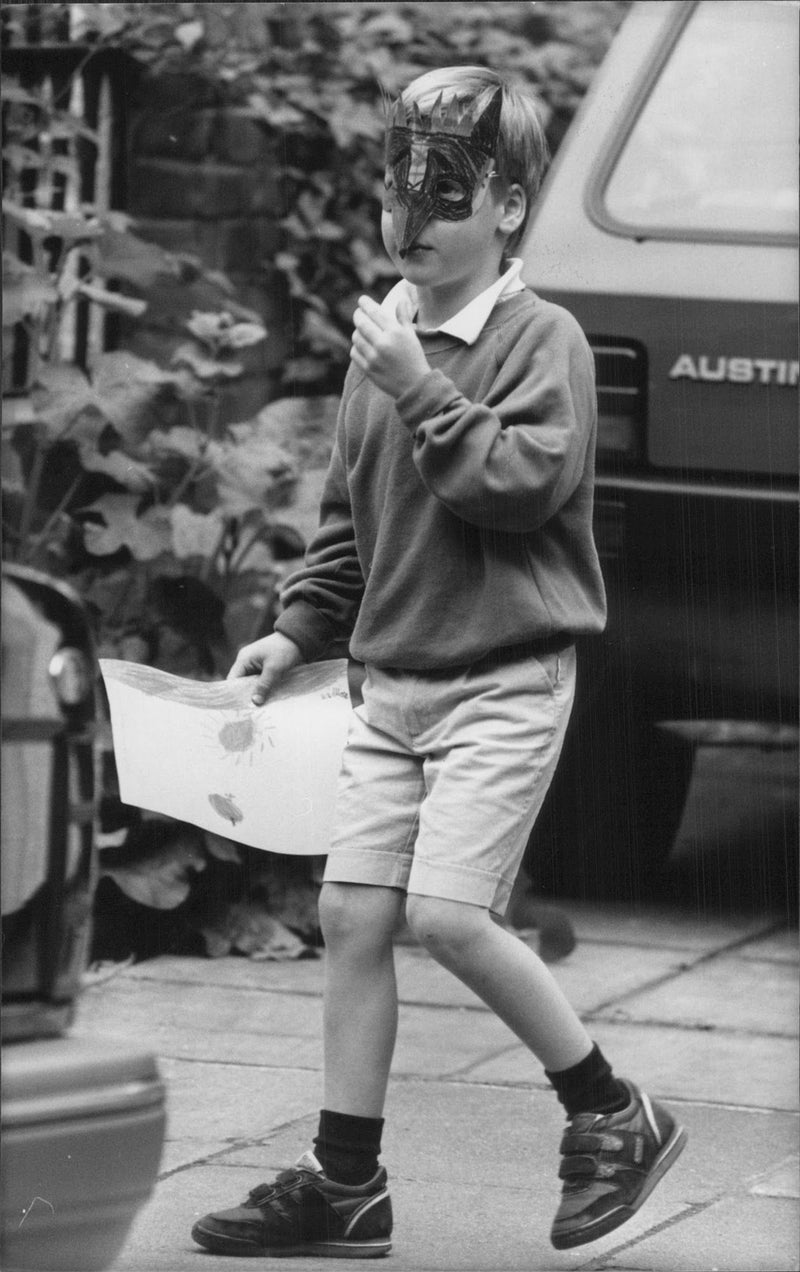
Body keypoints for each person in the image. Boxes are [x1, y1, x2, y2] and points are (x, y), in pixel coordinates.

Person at [191, 65, 687, 1259]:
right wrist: (296, 629)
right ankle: (343, 1183)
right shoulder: (390, 342)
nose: (408, 225)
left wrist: (423, 395)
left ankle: (611, 1112)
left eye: (444, 198)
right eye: (391, 194)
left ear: (508, 207)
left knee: (449, 917)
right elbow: (349, 521)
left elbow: (516, 493)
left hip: (505, 681)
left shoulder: (539, 342)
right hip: (391, 686)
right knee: (351, 914)